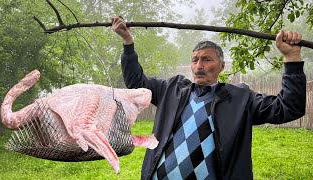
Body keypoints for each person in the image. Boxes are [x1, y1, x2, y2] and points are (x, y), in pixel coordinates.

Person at [111, 16, 306, 180]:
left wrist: (292, 59)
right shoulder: (171, 89)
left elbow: (288, 107)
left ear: (221, 66)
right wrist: (128, 42)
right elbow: (135, 81)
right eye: (195, 60)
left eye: (207, 59)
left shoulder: (240, 99)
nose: (199, 66)